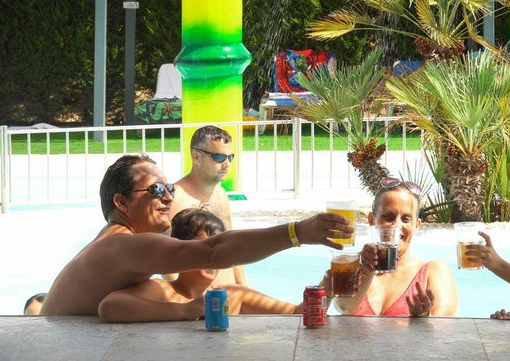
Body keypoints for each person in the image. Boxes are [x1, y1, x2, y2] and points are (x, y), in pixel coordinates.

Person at [39, 153, 351, 321]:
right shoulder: (122, 244)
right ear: (121, 202)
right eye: (156, 190)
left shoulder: (111, 243)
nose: (168, 197)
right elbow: (214, 251)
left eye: (169, 189)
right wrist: (299, 232)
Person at [102, 208, 301, 316]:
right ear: (182, 251)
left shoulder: (233, 295)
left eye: (220, 252)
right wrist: (184, 311)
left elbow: (296, 313)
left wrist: (321, 291)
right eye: (203, 248)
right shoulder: (162, 291)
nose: (213, 258)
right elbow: (110, 306)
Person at [329, 178, 459, 317]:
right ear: (372, 220)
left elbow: (445, 325)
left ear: (416, 225)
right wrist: (367, 271)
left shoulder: (433, 272)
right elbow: (343, 308)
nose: (396, 225)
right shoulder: (351, 267)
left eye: (406, 219)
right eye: (388, 216)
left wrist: (423, 316)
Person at [169, 125, 246, 286]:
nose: (227, 164)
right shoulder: (175, 199)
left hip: (228, 294)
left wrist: (243, 289)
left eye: (230, 157)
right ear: (196, 157)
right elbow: (167, 260)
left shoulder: (221, 195)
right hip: (198, 299)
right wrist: (183, 299)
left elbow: (232, 246)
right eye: (219, 157)